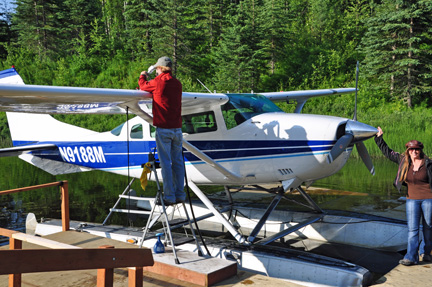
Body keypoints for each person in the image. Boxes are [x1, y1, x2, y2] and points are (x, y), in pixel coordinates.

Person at [375, 126, 432, 265]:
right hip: (412, 199)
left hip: (428, 199)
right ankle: (411, 257)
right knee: (412, 229)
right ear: (408, 150)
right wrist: (378, 138)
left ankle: (426, 253)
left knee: (428, 227)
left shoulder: (429, 163)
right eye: (411, 149)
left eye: (417, 149)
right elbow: (387, 152)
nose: (414, 152)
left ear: (421, 150)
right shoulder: (403, 160)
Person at [139, 56, 186, 205]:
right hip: (177, 130)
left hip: (164, 130)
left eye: (157, 68)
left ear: (159, 68)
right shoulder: (178, 84)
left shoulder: (158, 82)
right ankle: (180, 194)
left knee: (166, 163)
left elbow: (143, 86)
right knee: (178, 162)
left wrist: (143, 75)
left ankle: (169, 197)